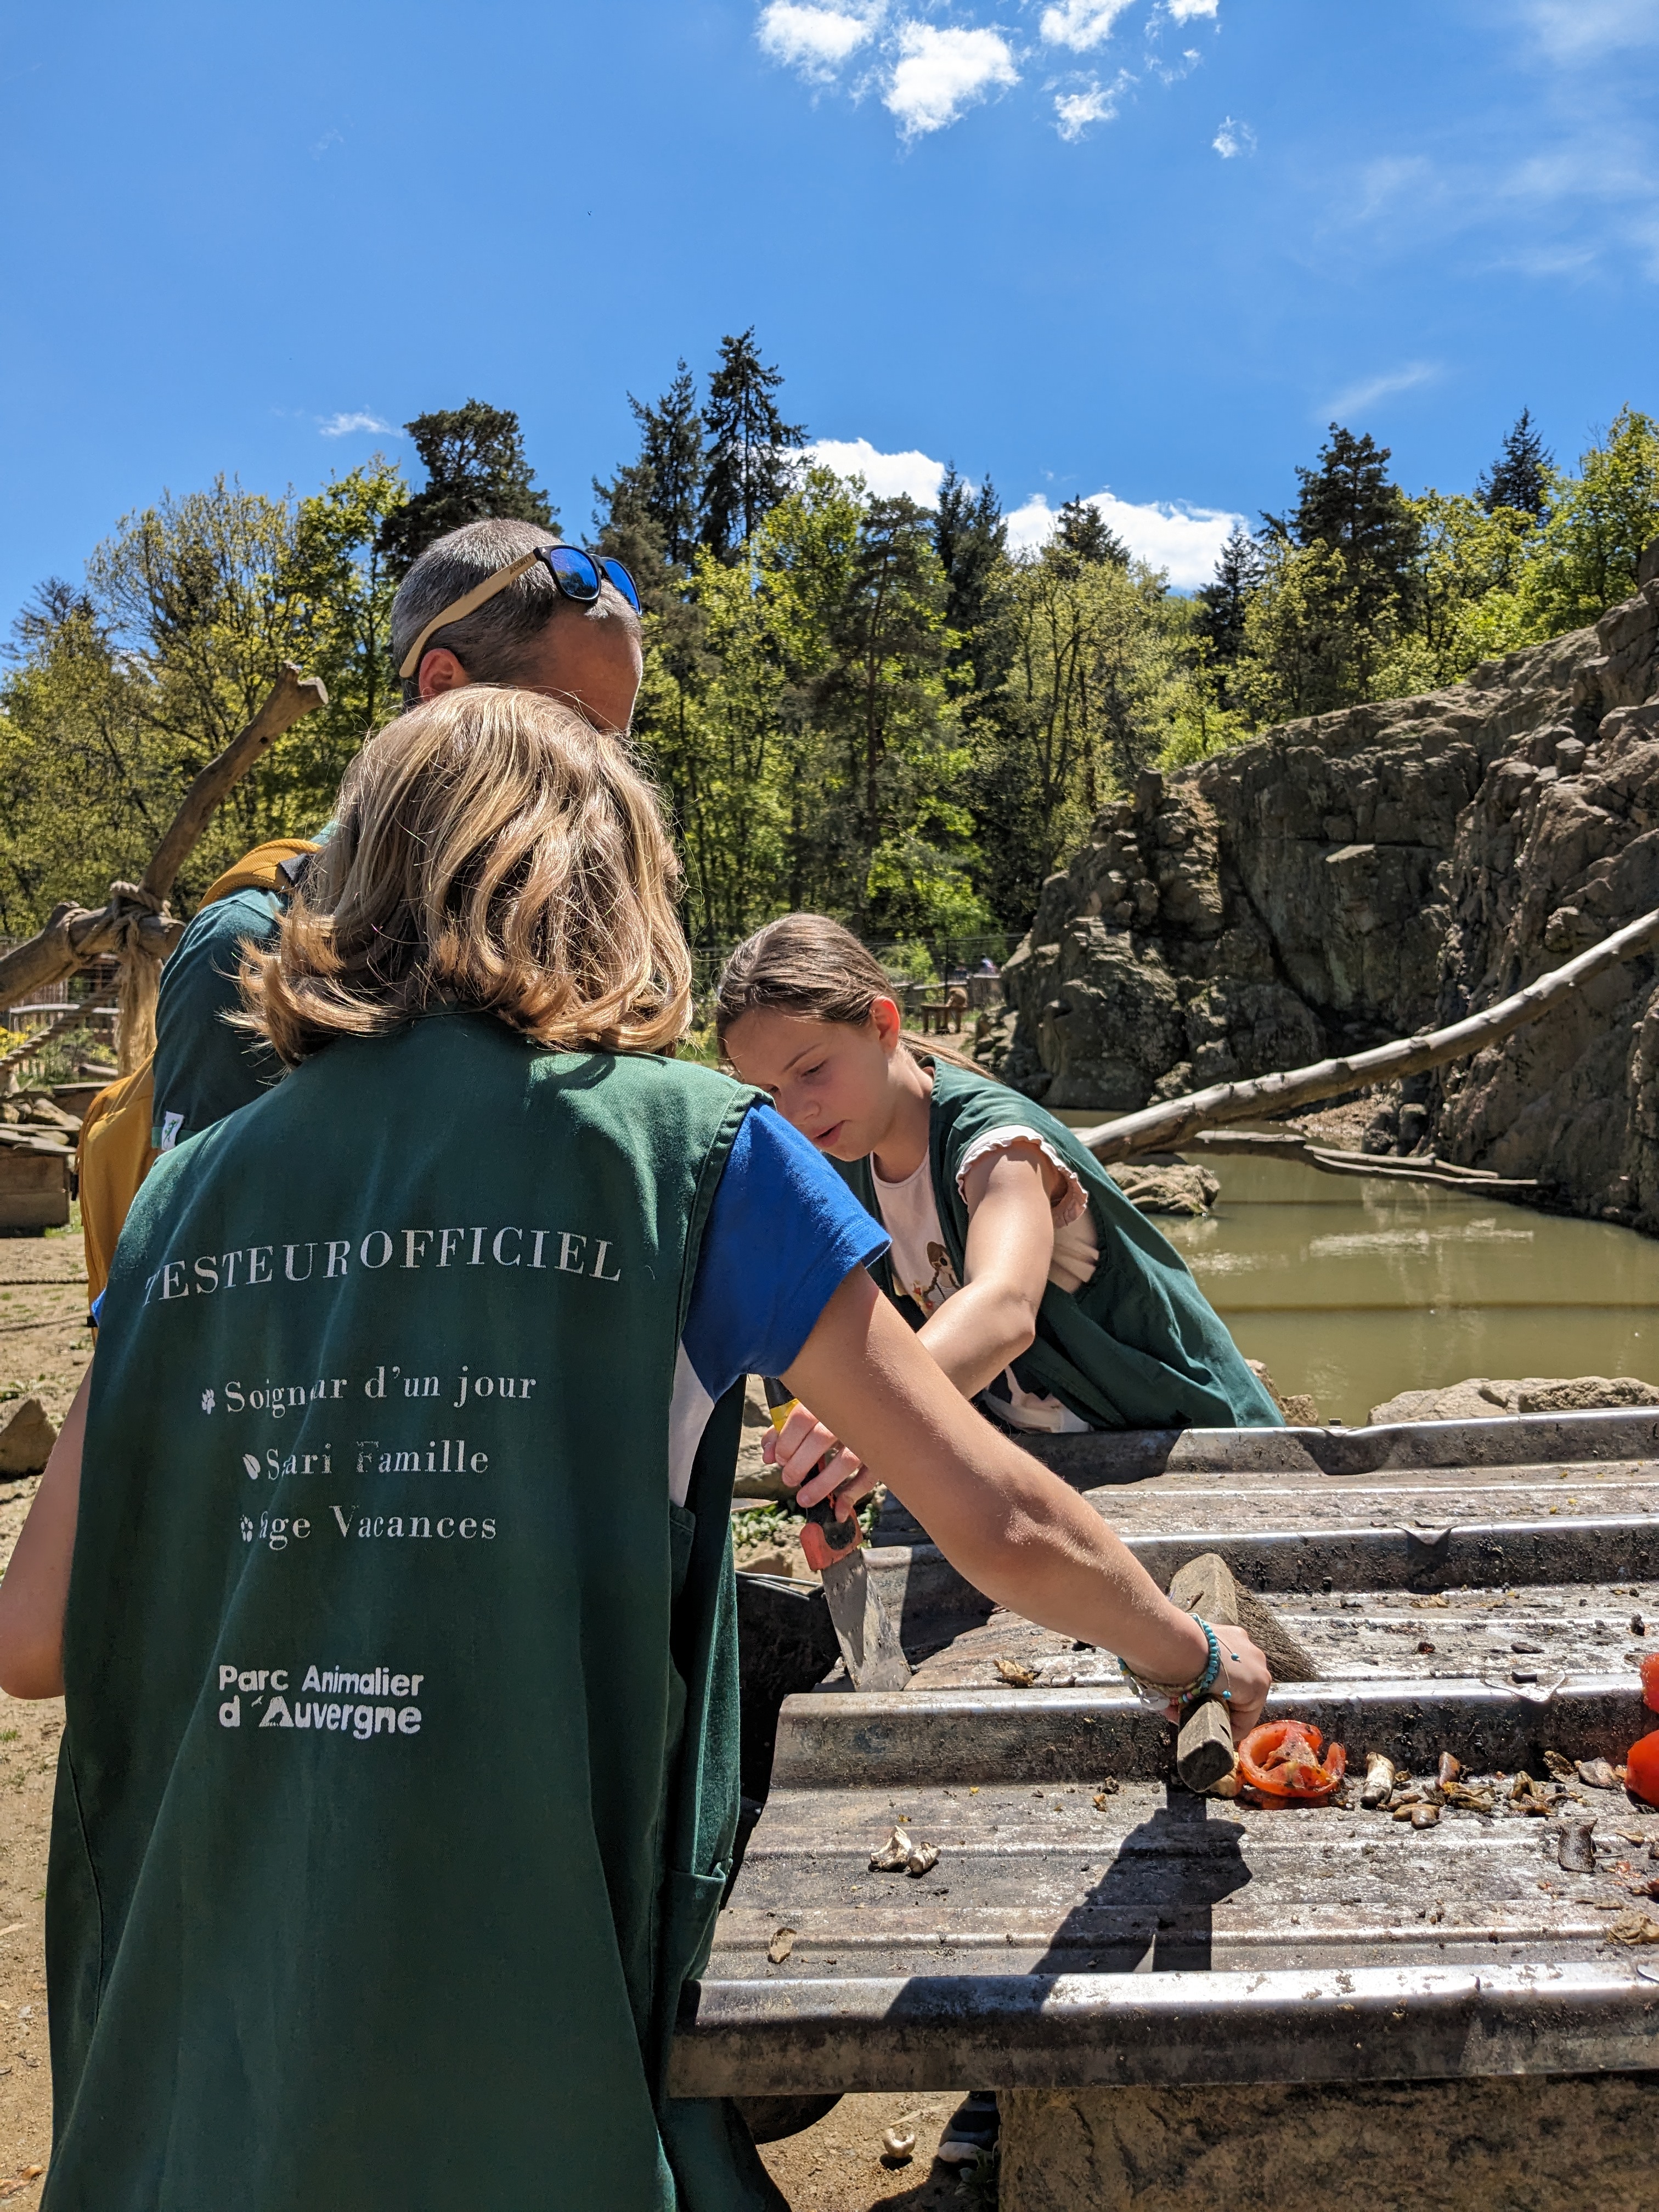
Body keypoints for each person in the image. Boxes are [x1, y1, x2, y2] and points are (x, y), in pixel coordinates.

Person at [0, 690, 1269, 2212]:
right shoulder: (705, 1148)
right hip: (528, 2037)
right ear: (603, 895)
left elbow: (33, 1638)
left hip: (200, 2048)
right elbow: (995, 1514)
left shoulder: (187, 1186)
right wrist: (1186, 1647)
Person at [717, 914, 1282, 1508]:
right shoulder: (846, 1158)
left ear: (883, 1025)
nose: (798, 1111)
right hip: (1062, 1474)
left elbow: (1004, 1308)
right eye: (772, 1092)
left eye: (811, 1070)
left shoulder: (999, 1147)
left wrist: (871, 1419)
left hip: (1206, 1460)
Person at [148, 517, 644, 1157]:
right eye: (572, 724)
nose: (603, 776)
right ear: (441, 687)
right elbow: (194, 1242)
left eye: (617, 744)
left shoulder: (593, 933)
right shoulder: (253, 946)